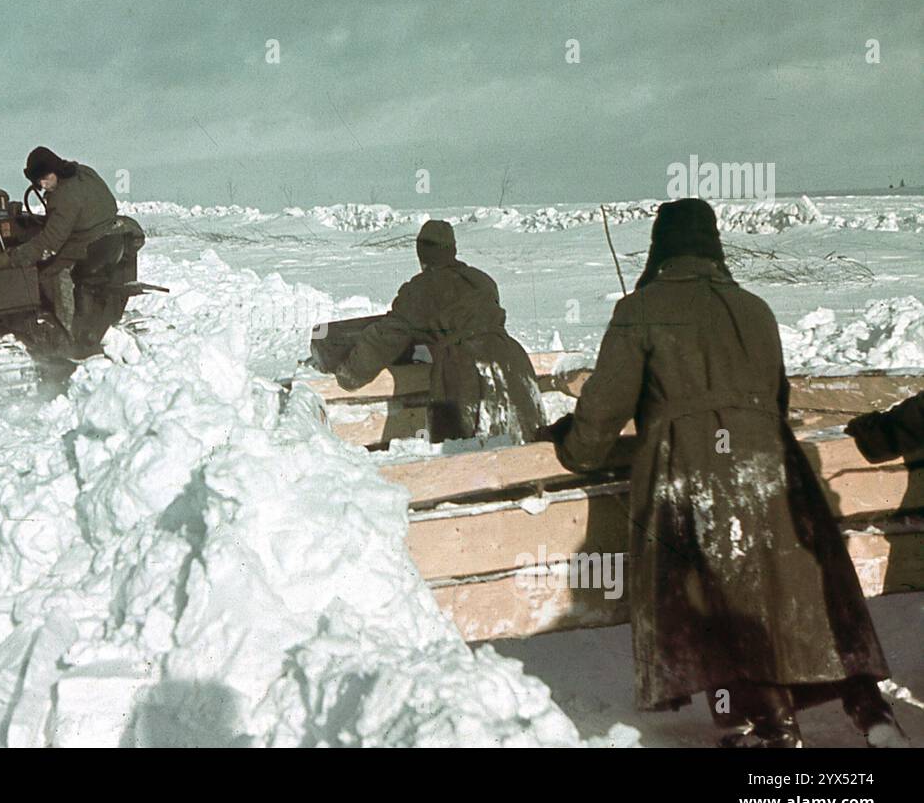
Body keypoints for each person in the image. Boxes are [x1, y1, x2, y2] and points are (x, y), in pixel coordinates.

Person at [542, 197, 904, 748]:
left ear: (661, 248)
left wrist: (574, 445)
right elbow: (775, 398)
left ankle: (770, 730)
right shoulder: (754, 307)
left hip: (691, 467)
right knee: (787, 591)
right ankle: (867, 709)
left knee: (712, 596)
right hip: (772, 467)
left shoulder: (640, 309)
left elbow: (604, 411)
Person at [332, 220, 546, 444]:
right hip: (512, 362)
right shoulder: (482, 281)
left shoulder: (420, 290)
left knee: (465, 454)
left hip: (464, 370)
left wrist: (350, 374)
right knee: (525, 442)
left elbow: (385, 338)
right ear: (452, 249)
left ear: (421, 255)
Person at [8, 146, 120, 341]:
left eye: (45, 178)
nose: (43, 185)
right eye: (38, 182)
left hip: (87, 241)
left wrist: (19, 255)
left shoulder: (63, 197)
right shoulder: (84, 171)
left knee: (48, 272)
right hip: (112, 236)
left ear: (55, 169)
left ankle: (67, 330)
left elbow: (50, 243)